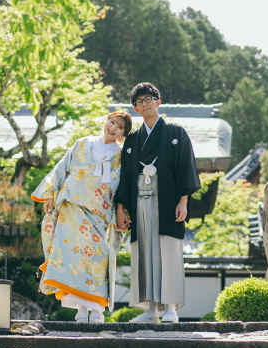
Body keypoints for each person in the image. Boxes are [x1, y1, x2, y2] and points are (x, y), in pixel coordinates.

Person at [32, 111, 133, 323]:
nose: (113, 128)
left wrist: (122, 211)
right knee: (71, 258)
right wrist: (50, 193)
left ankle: (97, 309)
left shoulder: (122, 155)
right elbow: (62, 169)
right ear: (105, 121)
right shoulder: (83, 143)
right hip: (72, 209)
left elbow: (124, 186)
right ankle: (81, 310)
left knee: (97, 258)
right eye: (112, 122)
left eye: (120, 127)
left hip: (99, 213)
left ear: (124, 134)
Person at [114, 82, 201, 323]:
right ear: (135, 108)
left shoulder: (176, 133)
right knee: (145, 254)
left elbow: (186, 168)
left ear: (158, 101)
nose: (145, 103)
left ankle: (171, 307)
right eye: (140, 101)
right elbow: (124, 177)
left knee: (169, 252)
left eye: (149, 99)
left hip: (168, 201)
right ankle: (150, 309)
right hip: (140, 202)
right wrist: (121, 209)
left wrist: (183, 201)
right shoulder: (132, 141)